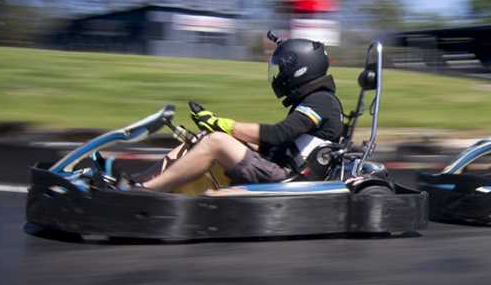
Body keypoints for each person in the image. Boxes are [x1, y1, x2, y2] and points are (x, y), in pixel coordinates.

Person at [128, 36, 343, 192]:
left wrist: (222, 125)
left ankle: (146, 191)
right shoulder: (312, 101)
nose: (279, 76)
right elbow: (280, 144)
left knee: (216, 142)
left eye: (281, 70)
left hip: (289, 179)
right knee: (202, 138)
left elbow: (279, 134)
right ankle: (135, 182)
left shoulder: (322, 101)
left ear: (300, 69)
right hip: (281, 166)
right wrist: (220, 129)